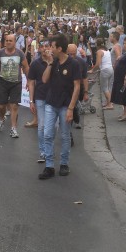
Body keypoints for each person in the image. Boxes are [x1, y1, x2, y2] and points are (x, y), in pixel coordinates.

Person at [38, 34, 81, 179]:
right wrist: (50, 63)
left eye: (52, 46)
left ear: (59, 48)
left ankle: (64, 163)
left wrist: (71, 108)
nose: (50, 49)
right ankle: (49, 166)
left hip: (65, 105)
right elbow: (44, 80)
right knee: (47, 134)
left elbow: (77, 87)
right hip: (51, 102)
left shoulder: (73, 64)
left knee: (64, 135)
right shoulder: (54, 62)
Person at [0, 33, 30, 138]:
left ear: (14, 42)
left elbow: (26, 67)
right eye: (6, 40)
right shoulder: (0, 53)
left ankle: (13, 128)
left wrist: (29, 82)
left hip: (16, 83)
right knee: (1, 106)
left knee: (14, 106)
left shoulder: (20, 53)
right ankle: (1, 118)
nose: (8, 42)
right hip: (3, 82)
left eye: (10, 40)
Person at [28, 41, 50, 163]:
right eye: (43, 46)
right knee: (41, 125)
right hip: (40, 97)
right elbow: (31, 82)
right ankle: (43, 151)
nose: (45, 49)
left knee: (53, 127)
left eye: (48, 46)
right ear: (40, 48)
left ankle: (49, 149)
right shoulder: (36, 63)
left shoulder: (56, 62)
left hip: (55, 99)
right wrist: (31, 101)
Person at [90, 38, 114, 110]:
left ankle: (109, 104)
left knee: (104, 88)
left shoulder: (99, 52)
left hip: (104, 70)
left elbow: (98, 64)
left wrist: (92, 70)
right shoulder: (107, 51)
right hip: (110, 69)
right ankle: (108, 102)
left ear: (97, 44)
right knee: (109, 87)